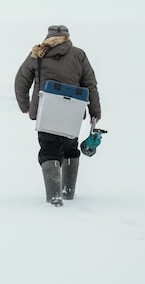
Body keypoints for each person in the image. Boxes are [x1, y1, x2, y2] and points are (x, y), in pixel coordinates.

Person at [14, 25, 101, 206]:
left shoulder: (38, 53)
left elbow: (21, 81)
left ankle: (54, 198)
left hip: (46, 112)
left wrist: (26, 107)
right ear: (67, 38)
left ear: (48, 37)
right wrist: (95, 112)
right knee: (70, 148)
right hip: (73, 112)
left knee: (49, 149)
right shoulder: (79, 55)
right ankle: (68, 193)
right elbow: (91, 85)